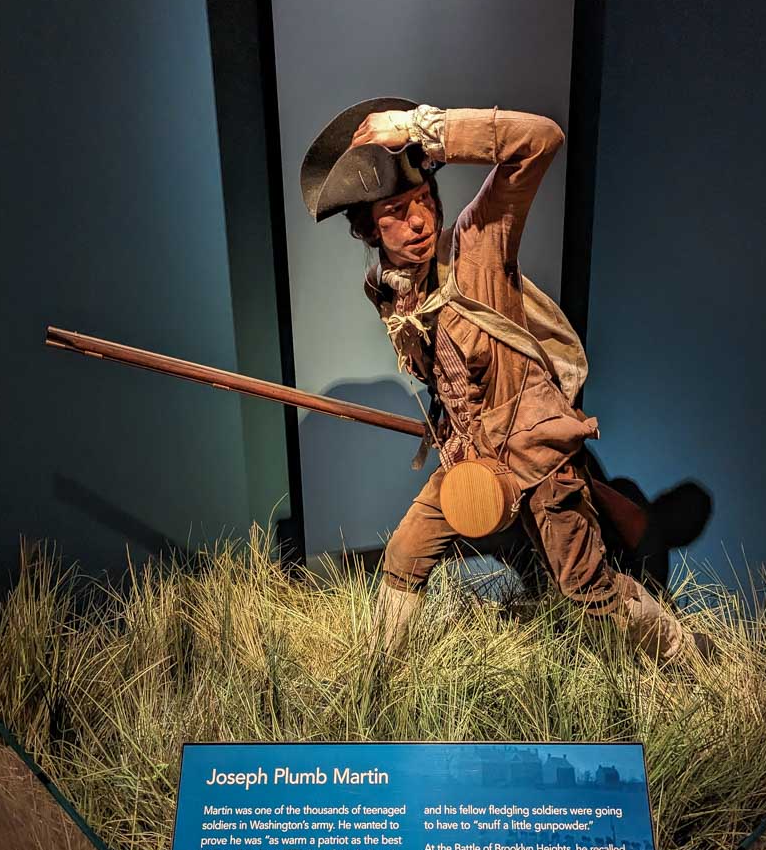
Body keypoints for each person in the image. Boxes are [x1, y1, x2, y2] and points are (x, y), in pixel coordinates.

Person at [300, 99, 705, 667]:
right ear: (369, 227)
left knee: (588, 593)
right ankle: (376, 682)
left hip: (536, 462)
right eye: (396, 209)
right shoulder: (393, 291)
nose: (419, 221)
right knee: (405, 556)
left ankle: (694, 659)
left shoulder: (479, 247)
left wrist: (421, 128)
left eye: (424, 201)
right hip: (471, 463)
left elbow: (540, 139)